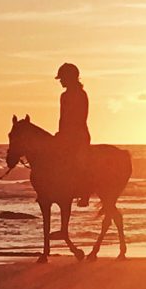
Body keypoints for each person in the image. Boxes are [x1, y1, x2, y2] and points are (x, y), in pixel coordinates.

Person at [55, 62, 91, 207]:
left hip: (79, 136)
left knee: (80, 161)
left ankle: (85, 192)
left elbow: (81, 117)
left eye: (62, 78)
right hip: (65, 135)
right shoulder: (63, 96)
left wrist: (70, 135)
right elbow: (62, 117)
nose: (61, 81)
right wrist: (60, 134)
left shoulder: (81, 94)